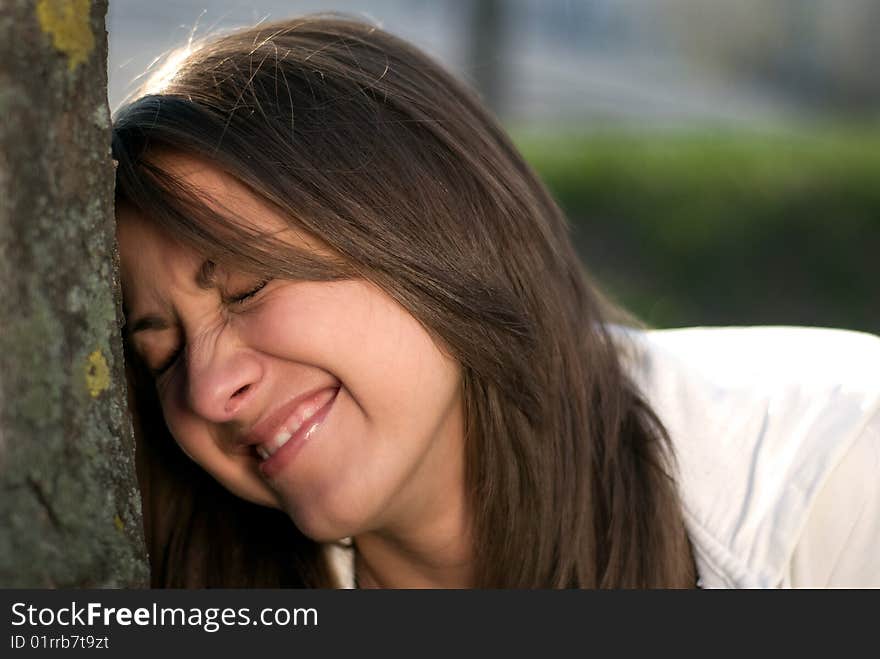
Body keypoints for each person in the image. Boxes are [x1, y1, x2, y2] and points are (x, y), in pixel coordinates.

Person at [112, 15, 880, 589]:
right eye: (162, 351)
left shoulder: (844, 467)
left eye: (247, 285)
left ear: (425, 219)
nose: (209, 390)